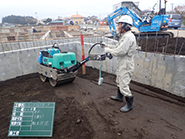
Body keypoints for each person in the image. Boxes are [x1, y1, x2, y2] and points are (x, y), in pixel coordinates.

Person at [103, 15, 136, 112]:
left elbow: (120, 51)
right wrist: (107, 45)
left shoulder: (128, 37)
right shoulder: (125, 36)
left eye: (119, 25)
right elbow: (117, 46)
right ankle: (119, 96)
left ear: (125, 26)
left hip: (126, 63)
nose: (118, 27)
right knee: (119, 79)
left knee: (123, 83)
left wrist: (107, 50)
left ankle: (129, 104)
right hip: (122, 62)